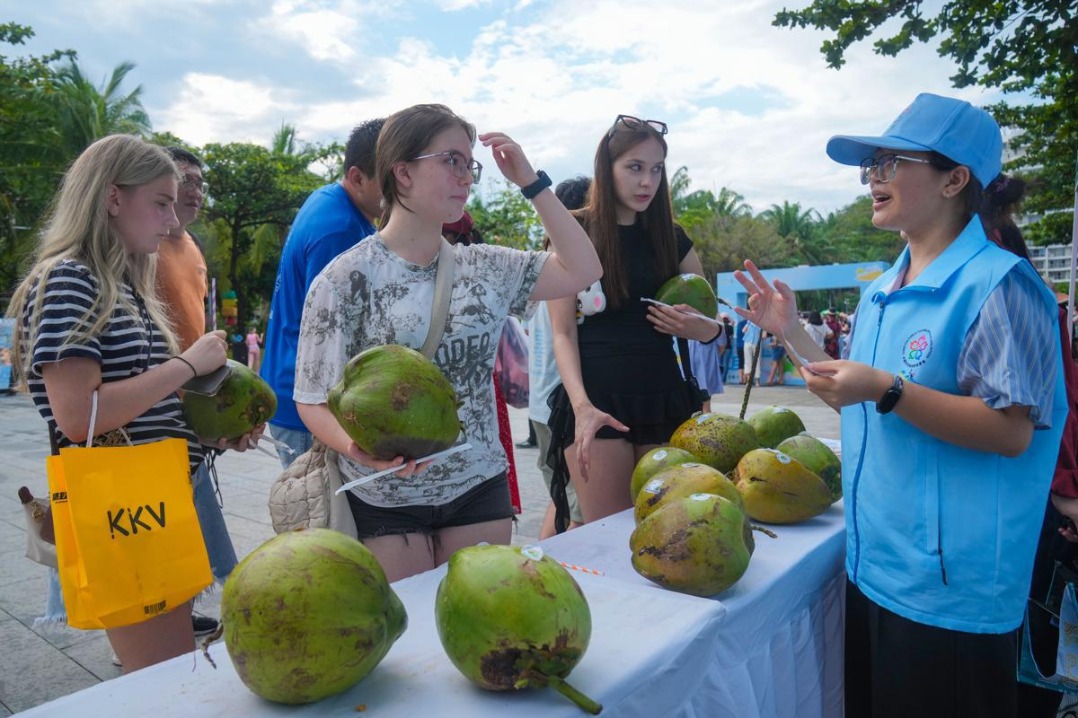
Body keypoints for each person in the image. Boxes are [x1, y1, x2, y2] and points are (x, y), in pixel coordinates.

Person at [734, 93, 1067, 717]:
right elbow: (864, 405)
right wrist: (793, 334)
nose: (873, 179)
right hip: (874, 567)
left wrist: (888, 387)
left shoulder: (1001, 285)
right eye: (871, 166)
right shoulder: (884, 292)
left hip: (951, 587)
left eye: (891, 162)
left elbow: (1010, 431)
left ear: (954, 179)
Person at [293, 103, 601, 582]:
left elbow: (584, 268)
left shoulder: (487, 267)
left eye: (470, 165)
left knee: (478, 632)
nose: (467, 177)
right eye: (451, 160)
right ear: (403, 173)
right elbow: (312, 397)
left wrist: (532, 184)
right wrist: (359, 451)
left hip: (477, 485)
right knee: (413, 641)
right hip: (385, 497)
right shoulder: (346, 278)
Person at [6, 135, 261, 672]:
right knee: (161, 680)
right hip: (127, 513)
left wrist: (211, 436)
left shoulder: (117, 282)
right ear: (113, 199)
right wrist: (187, 365)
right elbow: (79, 418)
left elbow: (139, 404)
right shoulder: (72, 280)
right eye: (161, 203)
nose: (172, 222)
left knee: (169, 671)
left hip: (155, 499)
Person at [546, 114, 721, 526]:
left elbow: (711, 323)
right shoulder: (574, 228)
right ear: (606, 171)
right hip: (598, 401)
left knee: (670, 529)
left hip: (665, 399)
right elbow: (562, 332)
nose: (647, 182)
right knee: (609, 536)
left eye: (657, 169)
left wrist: (704, 330)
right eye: (635, 167)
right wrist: (582, 406)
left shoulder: (672, 238)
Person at [261, 118, 385, 467]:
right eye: (390, 178)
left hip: (293, 387)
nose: (400, 187)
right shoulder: (341, 230)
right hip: (311, 402)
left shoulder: (329, 199)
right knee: (320, 517)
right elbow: (333, 331)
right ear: (358, 177)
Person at [157, 147, 238, 636]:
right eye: (183, 179)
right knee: (161, 510)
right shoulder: (137, 244)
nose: (194, 191)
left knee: (187, 508)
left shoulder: (190, 248)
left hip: (191, 390)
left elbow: (199, 319)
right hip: (155, 394)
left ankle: (177, 611)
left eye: (199, 183)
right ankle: (145, 625)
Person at [535, 176, 590, 538]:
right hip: (560, 407)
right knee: (578, 516)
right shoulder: (567, 270)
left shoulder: (545, 264)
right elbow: (564, 335)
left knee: (563, 501)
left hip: (544, 405)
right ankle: (544, 579)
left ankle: (537, 567)